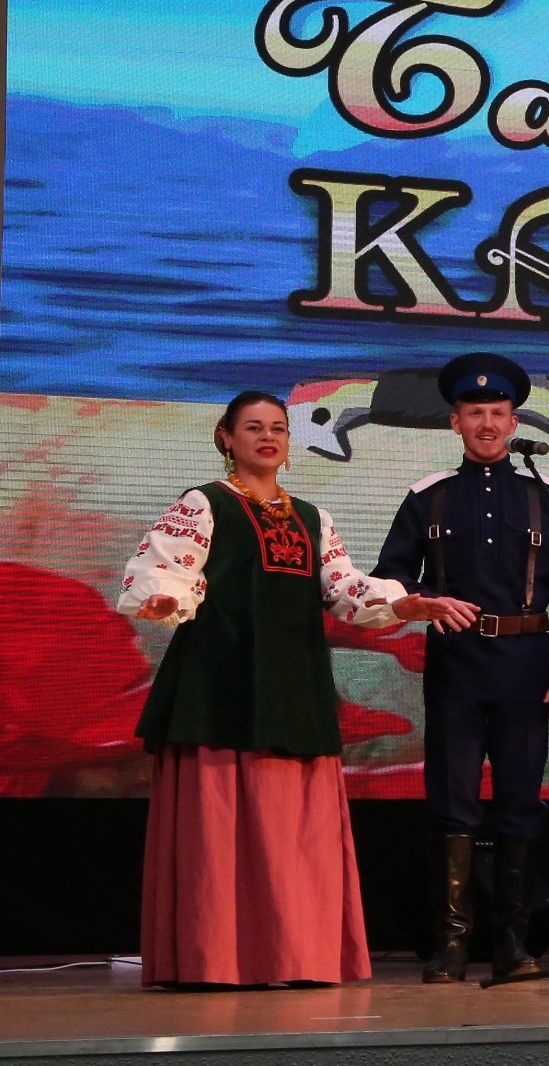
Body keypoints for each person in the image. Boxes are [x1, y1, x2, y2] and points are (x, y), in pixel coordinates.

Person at [117, 391, 470, 987]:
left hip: (294, 678)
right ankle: (215, 958)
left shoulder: (312, 517)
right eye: (253, 427)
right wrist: (164, 597)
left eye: (278, 428)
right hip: (221, 679)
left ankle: (296, 955)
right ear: (226, 437)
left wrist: (401, 603)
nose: (268, 437)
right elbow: (166, 569)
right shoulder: (205, 503)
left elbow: (343, 589)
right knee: (217, 822)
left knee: (294, 824)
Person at [371, 352, 549, 982]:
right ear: (456, 423)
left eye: (498, 413)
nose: (488, 424)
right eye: (475, 413)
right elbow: (390, 577)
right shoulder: (429, 497)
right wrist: (419, 600)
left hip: (526, 665)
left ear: (515, 421)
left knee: (521, 801)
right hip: (456, 665)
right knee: (453, 802)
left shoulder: (546, 497)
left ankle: (513, 944)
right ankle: (450, 944)